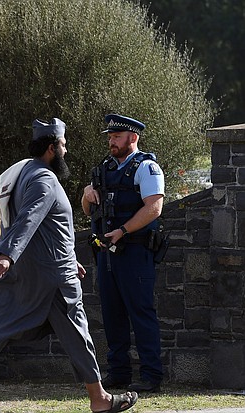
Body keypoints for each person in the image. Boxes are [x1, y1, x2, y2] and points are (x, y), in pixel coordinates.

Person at [0, 118, 138, 413]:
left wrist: (68, 257)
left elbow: (45, 228)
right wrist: (6, 254)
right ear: (52, 148)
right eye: (63, 145)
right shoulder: (44, 180)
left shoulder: (26, 173)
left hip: (36, 270)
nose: (67, 150)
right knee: (77, 332)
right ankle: (99, 399)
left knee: (0, 325)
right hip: (52, 278)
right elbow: (29, 219)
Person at [81, 114, 164, 393]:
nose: (111, 142)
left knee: (141, 313)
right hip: (107, 253)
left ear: (133, 138)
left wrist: (124, 231)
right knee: (111, 314)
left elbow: (154, 207)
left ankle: (152, 376)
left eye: (116, 137)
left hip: (135, 251)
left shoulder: (147, 167)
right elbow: (89, 211)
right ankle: (118, 373)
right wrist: (86, 195)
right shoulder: (103, 169)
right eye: (109, 137)